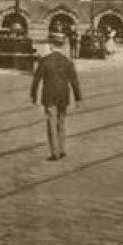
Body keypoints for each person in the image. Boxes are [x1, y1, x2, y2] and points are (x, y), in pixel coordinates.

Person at [31, 30, 82, 160]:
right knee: (61, 122)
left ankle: (54, 152)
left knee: (51, 123)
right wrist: (78, 98)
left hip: (49, 96)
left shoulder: (45, 60)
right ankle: (62, 149)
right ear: (62, 45)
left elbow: (36, 79)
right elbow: (74, 81)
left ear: (51, 45)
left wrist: (33, 95)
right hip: (63, 96)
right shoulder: (67, 61)